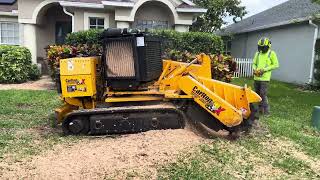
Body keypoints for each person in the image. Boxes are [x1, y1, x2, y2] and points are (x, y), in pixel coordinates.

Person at [253, 37, 279, 115]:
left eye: (263, 47)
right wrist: (254, 69)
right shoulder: (257, 54)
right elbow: (254, 63)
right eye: (260, 47)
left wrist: (264, 70)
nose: (261, 49)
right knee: (257, 94)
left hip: (265, 79)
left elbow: (276, 65)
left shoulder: (272, 53)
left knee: (263, 94)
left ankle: (266, 111)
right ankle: (260, 109)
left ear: (267, 47)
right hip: (256, 78)